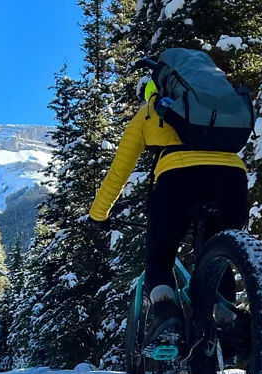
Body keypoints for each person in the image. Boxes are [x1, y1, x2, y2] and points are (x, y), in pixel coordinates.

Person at [88, 78, 249, 353]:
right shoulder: (217, 109)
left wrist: (98, 214)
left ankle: (168, 320)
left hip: (177, 182)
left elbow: (119, 172)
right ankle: (230, 324)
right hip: (233, 181)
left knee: (159, 259)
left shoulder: (150, 111)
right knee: (219, 257)